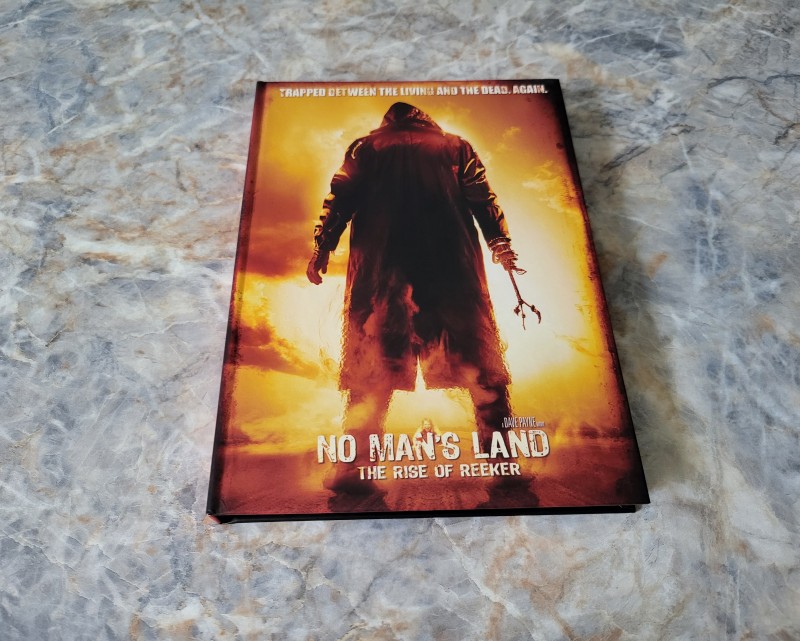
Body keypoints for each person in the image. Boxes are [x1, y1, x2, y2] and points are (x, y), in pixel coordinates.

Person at [306, 102, 524, 502]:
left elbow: (339, 199)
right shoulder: (454, 146)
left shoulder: (366, 148)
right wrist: (500, 244)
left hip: (382, 267)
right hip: (450, 267)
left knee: (373, 363)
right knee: (478, 363)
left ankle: (353, 469)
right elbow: (482, 199)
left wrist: (322, 247)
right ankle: (504, 465)